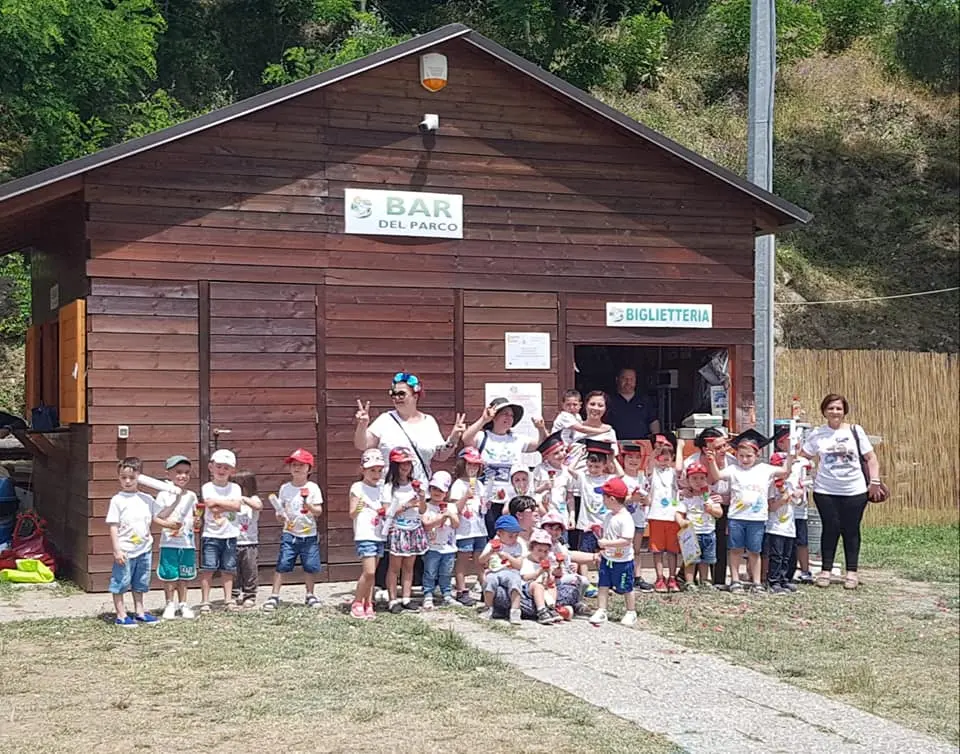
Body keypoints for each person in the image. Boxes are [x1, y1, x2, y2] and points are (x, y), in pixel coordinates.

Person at [800, 393, 883, 590]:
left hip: (854, 489)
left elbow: (871, 458)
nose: (835, 412)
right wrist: (805, 470)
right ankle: (826, 571)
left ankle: (852, 572)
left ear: (844, 411)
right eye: (831, 408)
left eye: (838, 408)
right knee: (829, 528)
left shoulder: (855, 431)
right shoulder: (818, 433)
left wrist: (875, 481)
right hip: (825, 489)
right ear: (824, 411)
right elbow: (803, 456)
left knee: (851, 529)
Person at [706, 430, 792, 593]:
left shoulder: (765, 469)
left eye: (749, 456)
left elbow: (785, 470)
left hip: (757, 519)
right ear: (736, 455)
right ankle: (735, 580)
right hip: (736, 517)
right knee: (735, 549)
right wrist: (711, 460)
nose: (744, 460)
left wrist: (791, 452)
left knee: (755, 551)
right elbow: (717, 476)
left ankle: (756, 582)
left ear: (757, 454)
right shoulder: (733, 470)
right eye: (741, 456)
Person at [353, 372, 465, 483]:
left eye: (401, 394)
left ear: (415, 396)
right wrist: (362, 425)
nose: (397, 398)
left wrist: (454, 437)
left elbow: (440, 455)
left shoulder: (429, 422)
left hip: (419, 492)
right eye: (393, 394)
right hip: (389, 493)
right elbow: (362, 445)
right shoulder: (385, 420)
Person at [461, 397, 547, 536]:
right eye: (505, 414)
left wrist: (541, 429)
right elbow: (466, 439)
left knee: (511, 535)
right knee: (491, 534)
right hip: (487, 497)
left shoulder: (517, 439)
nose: (509, 417)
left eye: (511, 415)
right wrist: (483, 419)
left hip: (512, 498)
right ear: (494, 416)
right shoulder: (483, 436)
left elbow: (538, 444)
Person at [262, 448, 324, 612]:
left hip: (308, 534)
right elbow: (280, 510)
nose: (297, 468)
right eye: (294, 465)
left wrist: (308, 505)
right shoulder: (285, 488)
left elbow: (318, 511)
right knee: (282, 563)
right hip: (289, 533)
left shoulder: (313, 488)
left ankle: (310, 594)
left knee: (310, 565)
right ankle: (274, 595)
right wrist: (279, 517)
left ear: (309, 469)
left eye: (301, 465)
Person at [107, 457, 160, 626]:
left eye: (132, 477)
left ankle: (140, 611)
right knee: (121, 582)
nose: (128, 481)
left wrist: (176, 496)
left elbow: (161, 515)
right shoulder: (117, 500)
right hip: (125, 550)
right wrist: (117, 550)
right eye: (123, 477)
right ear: (119, 478)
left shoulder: (147, 499)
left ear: (140, 476)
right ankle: (121, 615)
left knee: (141, 582)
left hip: (144, 549)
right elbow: (113, 526)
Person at [382, 447, 428, 613]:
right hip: (397, 529)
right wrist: (407, 504)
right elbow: (388, 511)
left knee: (409, 566)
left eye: (408, 463)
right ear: (394, 465)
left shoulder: (416, 485)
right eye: (402, 463)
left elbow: (422, 510)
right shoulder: (389, 487)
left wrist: (421, 498)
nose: (405, 467)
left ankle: (407, 597)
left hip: (414, 527)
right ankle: (393, 599)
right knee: (394, 567)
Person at [153, 455, 198, 620]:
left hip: (187, 543)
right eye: (178, 472)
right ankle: (169, 603)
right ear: (168, 474)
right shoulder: (163, 494)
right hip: (169, 542)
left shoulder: (191, 495)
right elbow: (157, 518)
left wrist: (198, 522)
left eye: (186, 472)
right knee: (170, 574)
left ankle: (184, 604)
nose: (183, 476)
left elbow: (195, 519)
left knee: (185, 575)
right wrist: (169, 525)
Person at [199, 448, 243, 613]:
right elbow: (209, 504)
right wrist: (228, 503)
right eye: (219, 466)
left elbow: (237, 506)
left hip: (230, 533)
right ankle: (205, 601)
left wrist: (219, 503)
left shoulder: (235, 488)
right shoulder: (207, 486)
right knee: (208, 568)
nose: (222, 470)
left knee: (228, 568)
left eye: (226, 467)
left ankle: (228, 600)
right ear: (211, 467)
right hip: (211, 534)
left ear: (232, 470)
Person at [589, 478, 638, 626]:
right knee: (603, 584)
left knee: (626, 587)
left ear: (611, 499)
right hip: (607, 558)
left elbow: (627, 540)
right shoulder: (609, 516)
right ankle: (602, 609)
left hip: (623, 561)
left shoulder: (626, 518)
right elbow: (607, 533)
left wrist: (606, 543)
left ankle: (631, 611)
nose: (602, 499)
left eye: (604, 496)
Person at [570, 439, 615, 595]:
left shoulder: (608, 479)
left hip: (604, 525)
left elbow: (621, 475)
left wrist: (612, 458)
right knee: (585, 553)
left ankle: (605, 582)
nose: (593, 469)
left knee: (606, 554)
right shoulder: (584, 477)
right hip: (587, 524)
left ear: (604, 466)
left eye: (597, 466)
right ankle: (586, 583)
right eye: (590, 466)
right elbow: (569, 469)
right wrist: (581, 455)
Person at [644, 433, 684, 593]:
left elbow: (679, 468)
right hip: (656, 516)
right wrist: (656, 450)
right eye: (661, 456)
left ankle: (672, 577)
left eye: (668, 457)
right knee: (657, 550)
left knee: (673, 551)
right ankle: (660, 577)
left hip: (673, 516)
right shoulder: (653, 473)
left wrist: (680, 447)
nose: (664, 459)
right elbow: (649, 464)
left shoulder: (674, 473)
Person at [349, 449, 386, 620]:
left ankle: (368, 602)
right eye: (372, 470)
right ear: (362, 470)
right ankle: (357, 601)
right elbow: (352, 513)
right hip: (365, 533)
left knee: (374, 572)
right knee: (369, 572)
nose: (376, 474)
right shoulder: (358, 487)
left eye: (379, 470)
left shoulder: (383, 488)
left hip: (380, 533)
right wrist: (359, 506)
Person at [450, 447, 487, 606]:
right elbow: (454, 508)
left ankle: (486, 588)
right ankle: (461, 589)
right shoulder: (458, 484)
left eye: (476, 465)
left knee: (481, 560)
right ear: (462, 464)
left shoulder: (480, 484)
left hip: (479, 527)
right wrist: (466, 496)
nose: (473, 468)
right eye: (470, 464)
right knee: (463, 559)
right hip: (464, 529)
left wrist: (486, 504)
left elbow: (483, 508)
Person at [679, 462, 722, 588]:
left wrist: (711, 510)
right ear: (688, 480)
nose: (698, 481)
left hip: (708, 532)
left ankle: (705, 581)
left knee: (706, 560)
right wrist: (681, 522)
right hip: (691, 532)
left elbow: (719, 513)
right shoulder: (686, 497)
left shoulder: (711, 497)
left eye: (702, 478)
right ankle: (689, 582)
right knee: (691, 559)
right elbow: (678, 511)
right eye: (694, 478)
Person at [421, 470, 459, 610]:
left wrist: (450, 515)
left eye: (441, 490)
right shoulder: (426, 506)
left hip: (448, 547)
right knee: (430, 572)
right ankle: (428, 594)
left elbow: (456, 525)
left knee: (446, 572)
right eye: (434, 489)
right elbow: (426, 525)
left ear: (446, 492)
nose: (437, 492)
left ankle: (447, 594)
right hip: (432, 546)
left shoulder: (451, 507)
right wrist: (440, 518)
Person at [478, 514, 526, 624]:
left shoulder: (517, 546)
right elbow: (481, 560)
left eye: (516, 535)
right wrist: (490, 552)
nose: (514, 538)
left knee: (516, 583)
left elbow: (519, 565)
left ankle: (515, 610)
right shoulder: (492, 544)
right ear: (499, 533)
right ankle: (488, 607)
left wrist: (508, 557)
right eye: (510, 536)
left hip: (511, 571)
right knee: (489, 582)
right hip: (494, 571)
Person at [620, 440, 653, 591]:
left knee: (636, 549)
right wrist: (630, 499)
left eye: (637, 457)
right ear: (623, 459)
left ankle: (637, 576)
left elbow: (648, 498)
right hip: (624, 520)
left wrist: (646, 500)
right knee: (623, 548)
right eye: (629, 457)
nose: (633, 461)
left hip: (639, 518)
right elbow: (617, 500)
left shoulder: (642, 477)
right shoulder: (621, 478)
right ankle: (622, 576)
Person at [765, 454, 797, 595]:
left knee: (786, 556)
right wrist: (781, 501)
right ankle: (773, 581)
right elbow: (770, 506)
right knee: (776, 555)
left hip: (789, 526)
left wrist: (794, 496)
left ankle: (784, 579)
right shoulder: (771, 485)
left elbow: (797, 502)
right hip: (775, 526)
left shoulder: (790, 484)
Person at [531, 432, 575, 532]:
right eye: (556, 453)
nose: (561, 454)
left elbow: (570, 497)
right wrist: (543, 487)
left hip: (561, 517)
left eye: (563, 450)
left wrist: (572, 516)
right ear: (546, 456)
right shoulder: (540, 470)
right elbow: (531, 492)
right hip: (543, 517)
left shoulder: (567, 471)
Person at [232, 470, 262, 608]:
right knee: (233, 570)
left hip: (249, 542)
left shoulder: (253, 499)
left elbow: (258, 506)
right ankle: (234, 593)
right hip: (232, 540)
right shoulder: (231, 501)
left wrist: (244, 499)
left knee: (249, 569)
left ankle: (250, 594)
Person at [520, 529, 564, 624]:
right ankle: (541, 610)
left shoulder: (547, 562)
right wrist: (539, 571)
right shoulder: (526, 561)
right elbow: (525, 577)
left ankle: (551, 607)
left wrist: (550, 574)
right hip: (527, 588)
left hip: (543, 588)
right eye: (539, 550)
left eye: (545, 551)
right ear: (531, 548)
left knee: (552, 585)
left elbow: (550, 579)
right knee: (537, 585)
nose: (542, 554)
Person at [606, 368, 660, 441]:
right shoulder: (608, 400)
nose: (628, 382)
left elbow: (653, 422)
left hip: (642, 444)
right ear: (617, 379)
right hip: (616, 444)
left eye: (631, 379)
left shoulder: (645, 400)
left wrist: (656, 440)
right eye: (624, 378)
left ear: (635, 381)